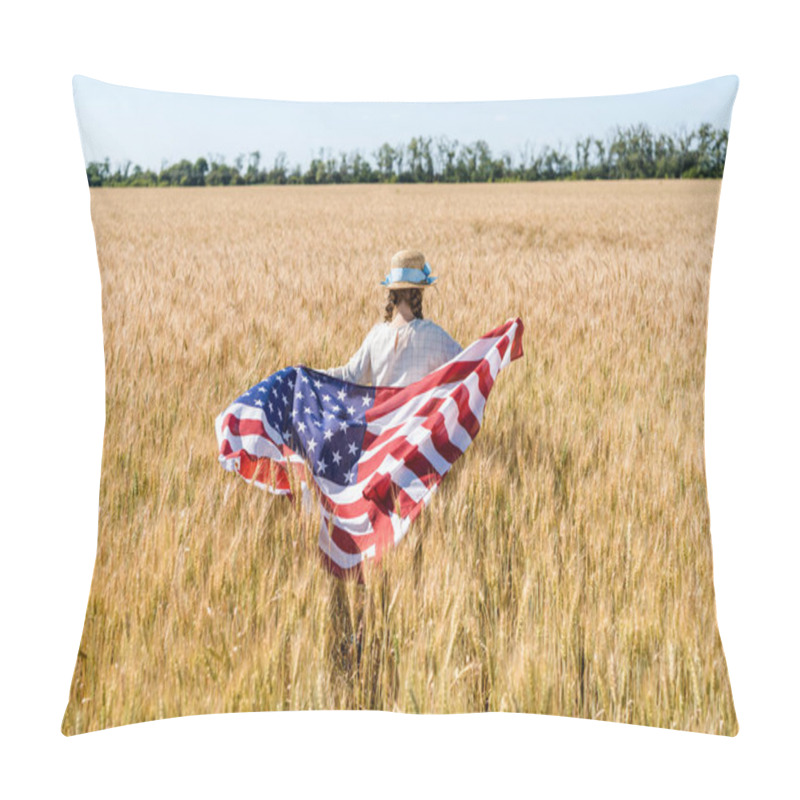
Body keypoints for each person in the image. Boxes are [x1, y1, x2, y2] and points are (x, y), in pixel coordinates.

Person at [322, 250, 462, 387]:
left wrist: (309, 373)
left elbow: (349, 375)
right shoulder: (434, 336)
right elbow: (469, 364)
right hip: (418, 412)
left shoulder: (376, 336)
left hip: (381, 411)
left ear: (392, 293)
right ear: (420, 291)